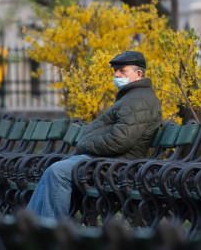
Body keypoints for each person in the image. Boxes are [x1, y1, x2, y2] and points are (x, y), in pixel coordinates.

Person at [26, 50, 163, 219]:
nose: (117, 74)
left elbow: (121, 140)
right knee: (52, 169)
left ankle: (53, 229)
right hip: (107, 160)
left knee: (58, 172)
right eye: (115, 71)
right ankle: (32, 225)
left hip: (118, 166)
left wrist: (87, 144)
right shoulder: (132, 97)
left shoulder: (139, 100)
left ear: (139, 74)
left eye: (122, 71)